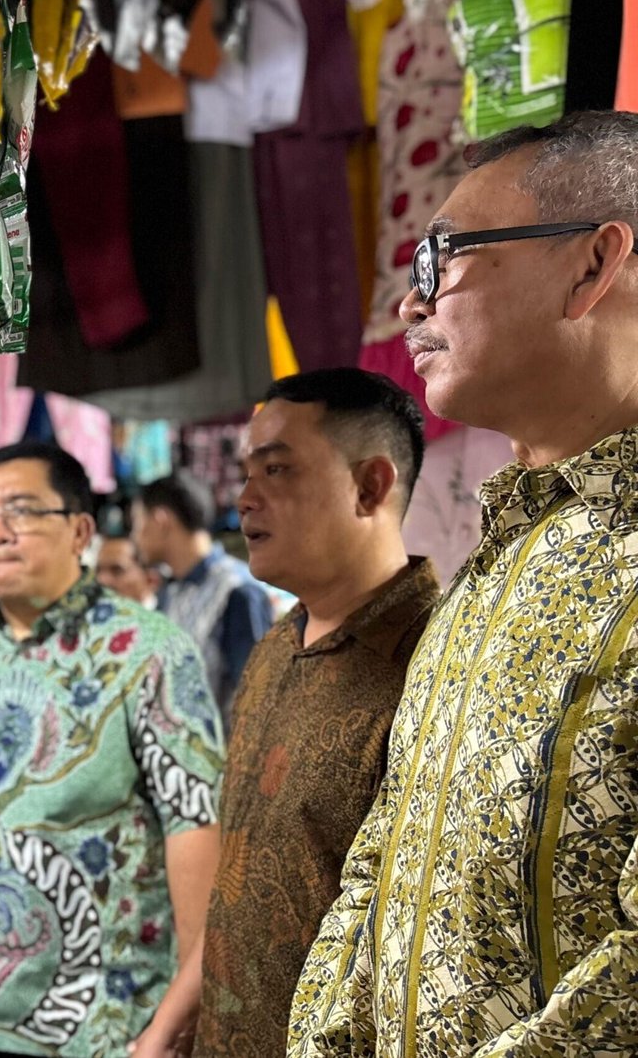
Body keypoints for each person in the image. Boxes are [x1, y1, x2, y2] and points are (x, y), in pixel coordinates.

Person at [290, 110, 638, 1057]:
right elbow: (386, 855)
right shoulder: (497, 562)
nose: (410, 305)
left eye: (442, 259)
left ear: (593, 264)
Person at [0, 441, 224, 1058]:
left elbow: (194, 819)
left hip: (106, 1018)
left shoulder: (148, 649)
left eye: (20, 511)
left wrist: (189, 994)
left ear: (80, 531)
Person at [183, 369, 439, 1058]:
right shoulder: (274, 647)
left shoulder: (434, 666)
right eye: (246, 472)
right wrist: (173, 1019)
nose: (244, 498)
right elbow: (240, 872)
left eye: (277, 469)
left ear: (370, 486)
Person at [133, 471, 272, 727]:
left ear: (161, 520)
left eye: (138, 523)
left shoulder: (236, 592)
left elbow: (258, 703)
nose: (136, 537)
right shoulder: (171, 589)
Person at [95, 534, 161, 607]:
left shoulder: (171, 614)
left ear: (150, 580)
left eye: (117, 570)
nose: (102, 580)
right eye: (98, 571)